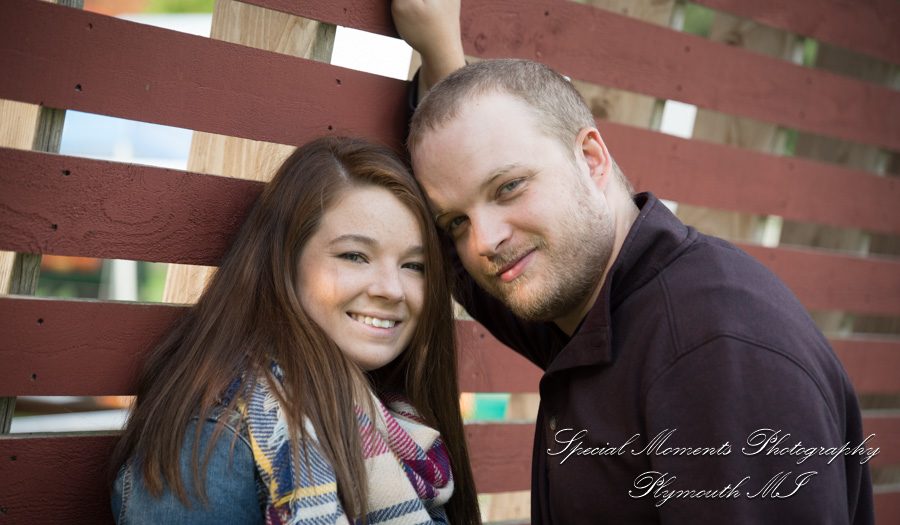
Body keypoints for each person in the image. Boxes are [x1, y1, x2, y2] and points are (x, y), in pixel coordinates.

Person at [392, 1, 875, 523]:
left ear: (592, 159)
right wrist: (439, 45)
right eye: (456, 224)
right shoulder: (596, 304)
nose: (483, 241)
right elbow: (466, 264)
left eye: (509, 187)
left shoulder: (712, 354)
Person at [109, 137, 481, 524]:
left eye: (414, 265)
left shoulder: (399, 424)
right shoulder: (214, 440)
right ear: (285, 264)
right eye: (355, 256)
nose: (391, 288)